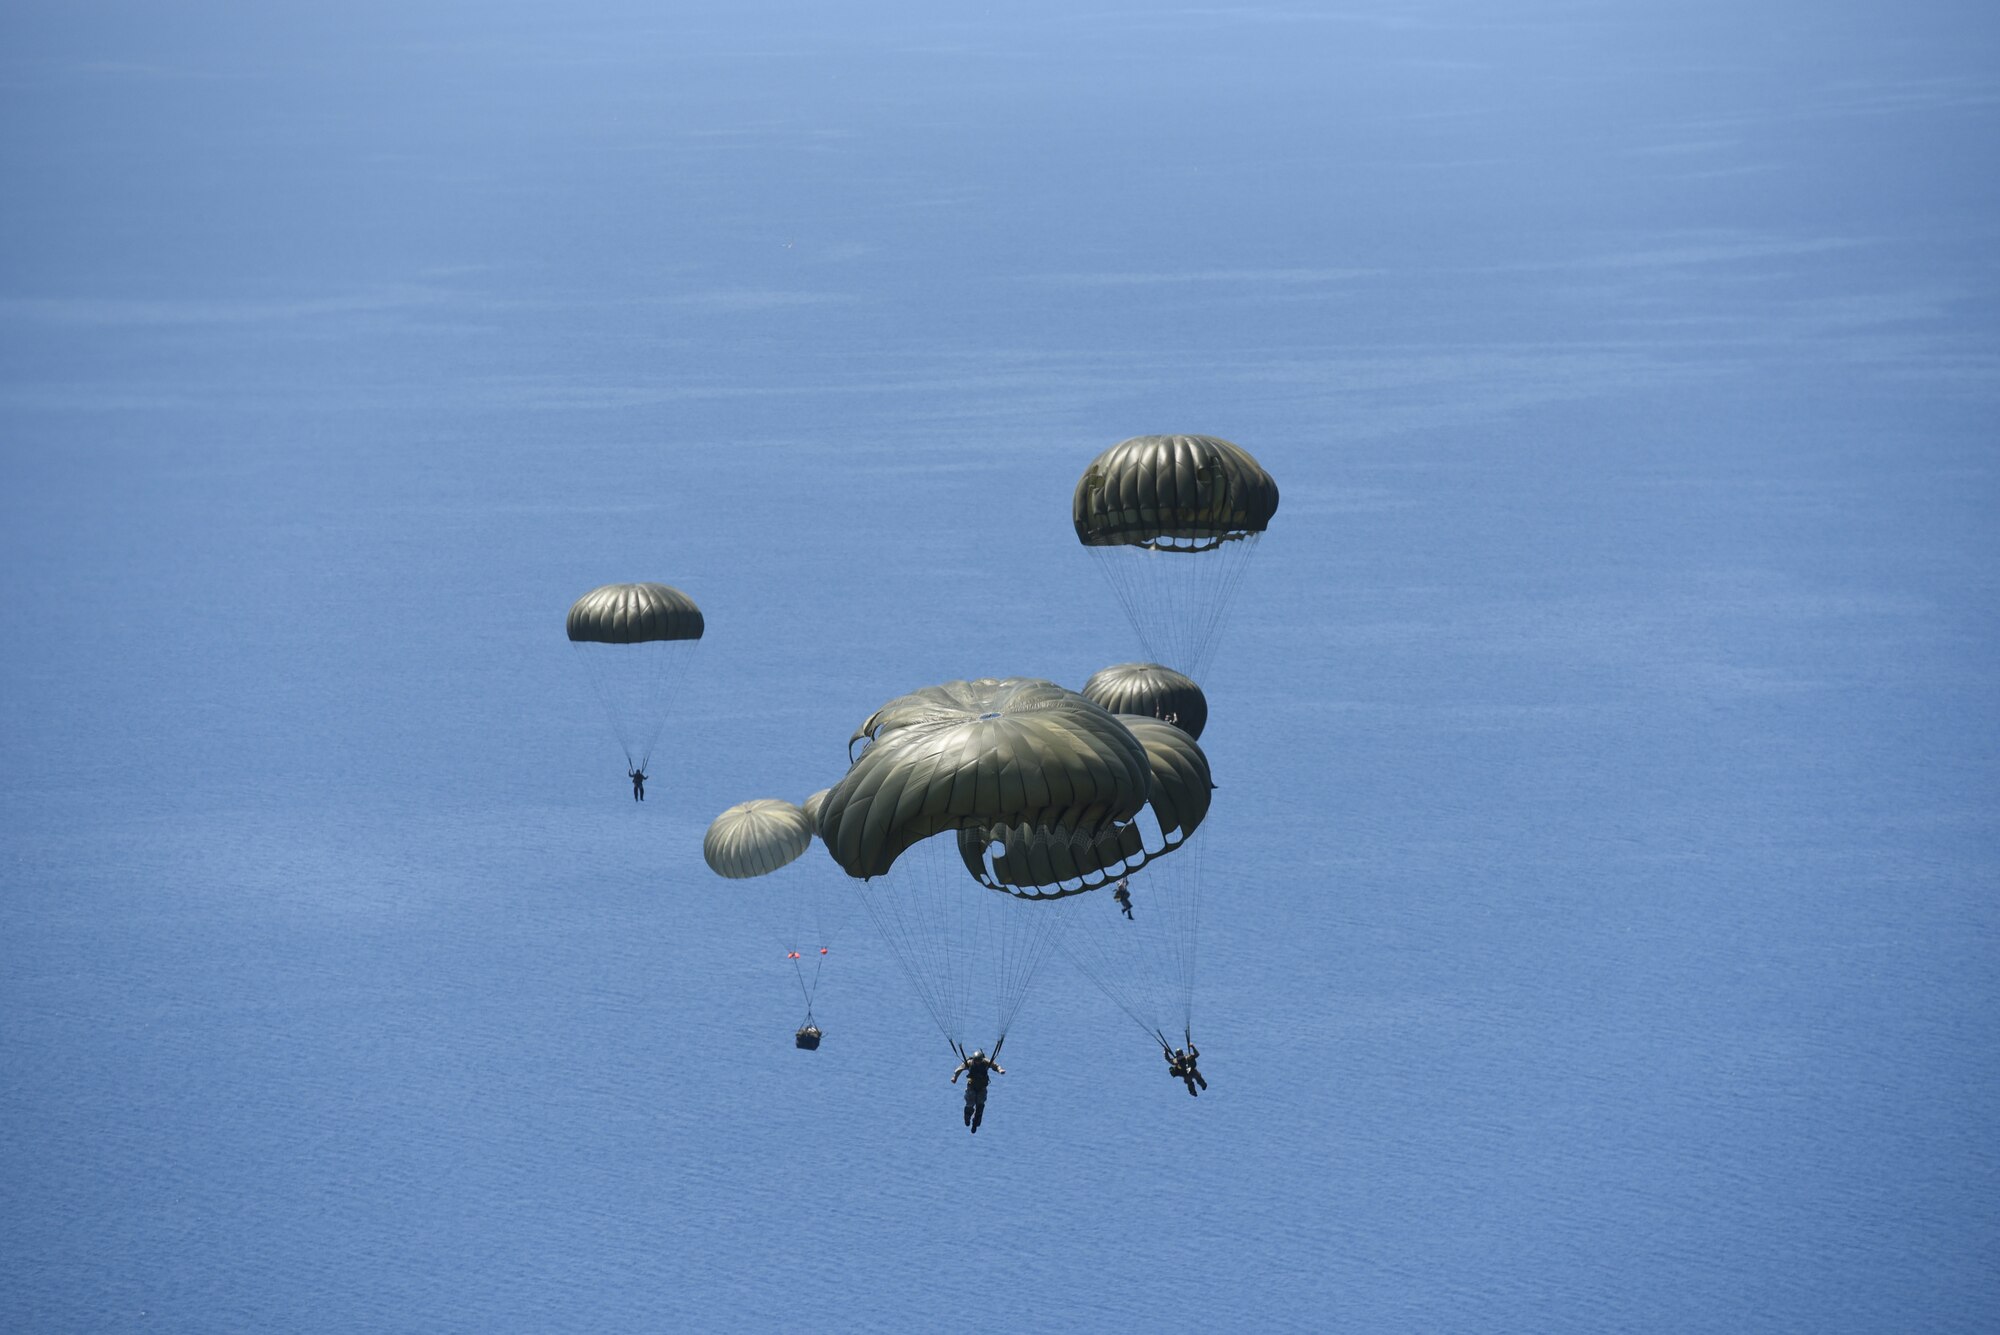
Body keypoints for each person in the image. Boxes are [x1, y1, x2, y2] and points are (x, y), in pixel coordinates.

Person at [950, 1049, 1005, 1133]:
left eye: (979, 1061)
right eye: (976, 1061)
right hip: (971, 1088)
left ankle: (975, 1124)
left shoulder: (986, 1062)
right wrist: (955, 1078)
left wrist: (1000, 1070)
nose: (978, 1062)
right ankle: (967, 1118)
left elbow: (996, 1066)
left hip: (982, 1088)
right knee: (970, 1104)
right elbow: (959, 1069)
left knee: (980, 1107)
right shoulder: (969, 1062)